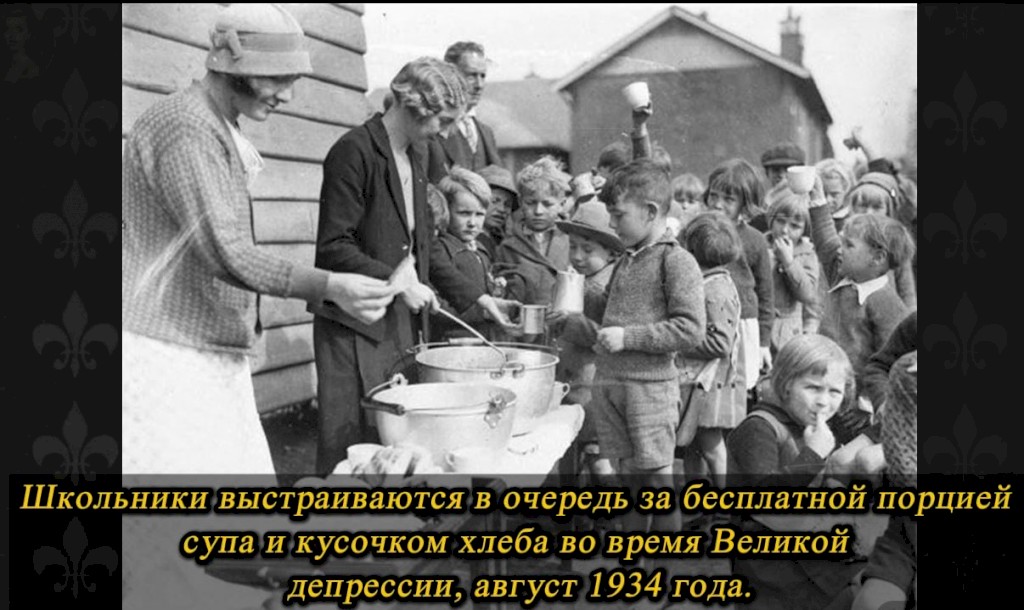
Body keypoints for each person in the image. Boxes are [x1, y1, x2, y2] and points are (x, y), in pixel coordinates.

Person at [121, 3, 397, 475]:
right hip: (165, 345)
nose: (287, 96)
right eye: (276, 78)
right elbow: (225, 251)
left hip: (199, 340)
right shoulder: (187, 127)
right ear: (235, 67)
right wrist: (330, 285)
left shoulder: (216, 123)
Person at [312, 57, 517, 475]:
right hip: (353, 327)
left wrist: (478, 298)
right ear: (414, 105)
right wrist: (396, 282)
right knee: (350, 447)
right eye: (442, 120)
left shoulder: (417, 155)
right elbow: (333, 248)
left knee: (395, 442)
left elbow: (427, 248)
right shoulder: (353, 151)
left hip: (397, 324)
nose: (446, 132)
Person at [560, 159, 706, 538]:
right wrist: (575, 297)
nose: (611, 224)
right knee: (628, 479)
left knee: (657, 482)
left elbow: (690, 329)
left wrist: (628, 338)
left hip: (649, 390)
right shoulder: (628, 258)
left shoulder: (676, 262)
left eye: (618, 215)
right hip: (612, 386)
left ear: (651, 212)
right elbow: (612, 310)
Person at [727, 334, 868, 610]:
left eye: (834, 392)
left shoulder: (818, 424)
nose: (823, 402)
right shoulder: (759, 428)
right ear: (786, 383)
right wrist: (812, 455)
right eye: (813, 388)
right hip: (767, 566)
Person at [808, 177, 914, 445]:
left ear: (877, 259)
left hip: (856, 409)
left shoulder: (886, 304)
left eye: (849, 245)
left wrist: (867, 403)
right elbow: (825, 241)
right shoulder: (842, 275)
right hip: (824, 387)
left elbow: (889, 363)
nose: (839, 250)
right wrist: (818, 199)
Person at [548, 200, 624, 480]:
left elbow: (609, 335)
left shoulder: (608, 287)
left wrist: (568, 323)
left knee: (599, 460)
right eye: (573, 247)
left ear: (611, 252)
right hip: (572, 384)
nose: (577, 256)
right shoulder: (574, 279)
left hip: (596, 390)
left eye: (588, 250)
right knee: (568, 454)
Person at [675, 212, 744, 491]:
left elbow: (720, 343)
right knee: (693, 445)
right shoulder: (708, 282)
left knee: (711, 446)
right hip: (699, 381)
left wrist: (678, 341)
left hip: (710, 385)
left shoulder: (715, 291)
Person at [704, 159, 775, 399]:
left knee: (739, 389)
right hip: (706, 323)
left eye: (728, 199)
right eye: (713, 196)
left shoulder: (755, 240)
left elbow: (765, 293)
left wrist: (764, 342)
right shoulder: (696, 232)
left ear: (745, 204)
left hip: (742, 325)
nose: (717, 204)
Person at [431, 166, 501, 340]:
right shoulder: (439, 250)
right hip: (450, 342)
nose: (472, 223)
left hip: (482, 341)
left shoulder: (481, 249)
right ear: (446, 210)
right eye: (464, 213)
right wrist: (482, 312)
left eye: (479, 214)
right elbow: (435, 306)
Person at [494, 155, 572, 308]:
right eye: (530, 203)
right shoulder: (507, 247)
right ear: (520, 201)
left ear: (562, 204)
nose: (538, 211)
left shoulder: (572, 240)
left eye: (547, 204)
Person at [425, 41, 502, 180]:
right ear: (449, 76)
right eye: (471, 75)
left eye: (482, 76)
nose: (479, 85)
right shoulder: (430, 129)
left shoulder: (486, 133)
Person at [764, 186, 821, 351]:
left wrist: (789, 262)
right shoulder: (759, 245)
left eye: (794, 226)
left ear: (804, 230)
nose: (784, 230)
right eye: (780, 221)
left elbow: (808, 295)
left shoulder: (806, 254)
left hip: (787, 333)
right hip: (759, 327)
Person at [759, 141, 807, 231]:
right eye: (776, 170)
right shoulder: (763, 202)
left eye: (788, 170)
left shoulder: (807, 202)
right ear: (767, 173)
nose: (781, 175)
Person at [476, 164, 518, 255]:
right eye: (495, 201)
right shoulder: (469, 240)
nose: (502, 209)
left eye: (507, 204)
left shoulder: (501, 241)